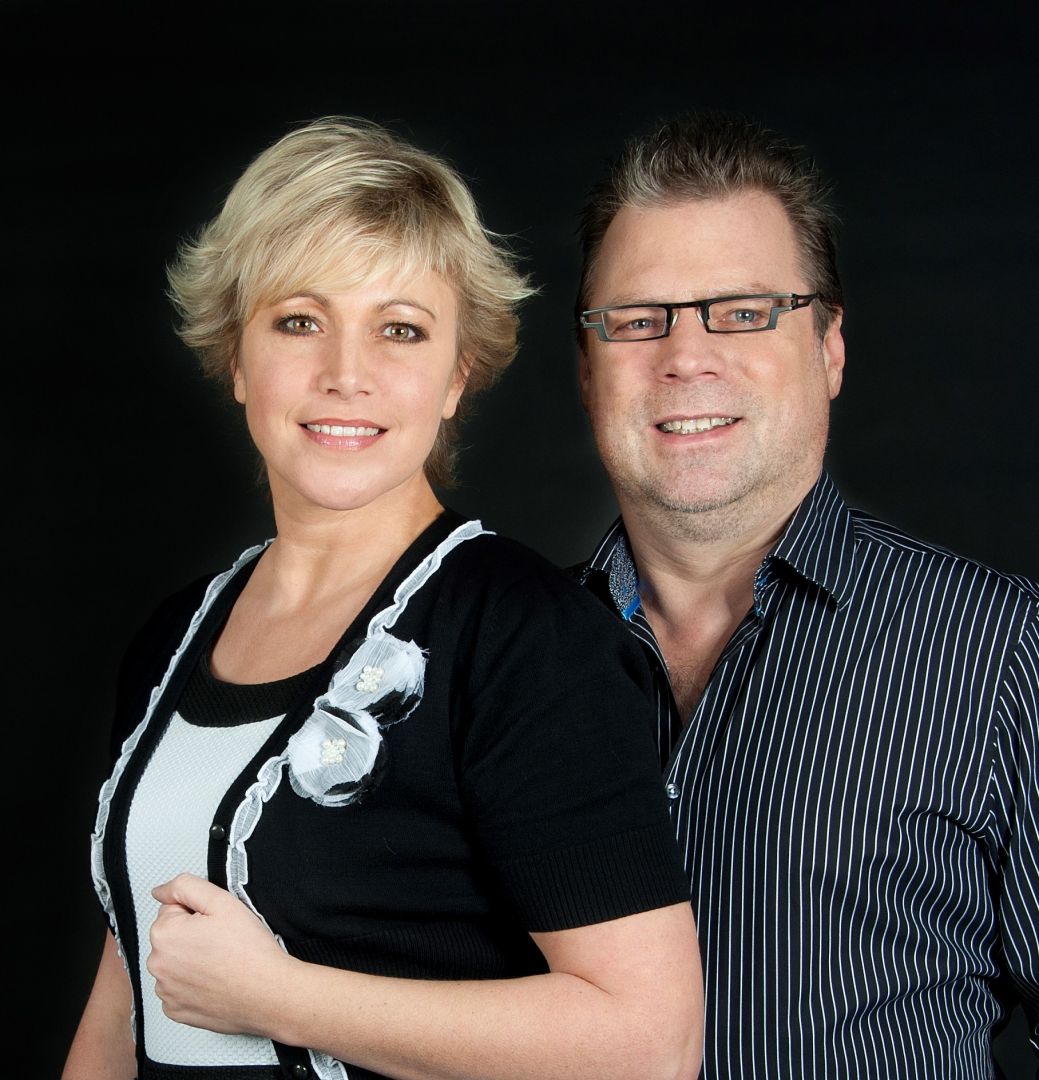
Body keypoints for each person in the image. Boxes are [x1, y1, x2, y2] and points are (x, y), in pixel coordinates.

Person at [62, 116, 703, 1080]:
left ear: (456, 376)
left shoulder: (524, 640)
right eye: (298, 321)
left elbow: (649, 1044)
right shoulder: (175, 639)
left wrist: (281, 999)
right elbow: (128, 997)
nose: (345, 375)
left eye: (399, 329)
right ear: (236, 358)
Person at [572, 111, 1038, 1078]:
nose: (684, 356)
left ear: (829, 349)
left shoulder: (1001, 651)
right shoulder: (496, 658)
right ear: (586, 370)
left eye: (744, 312)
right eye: (638, 319)